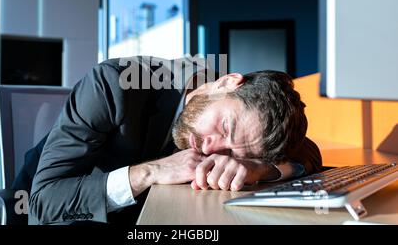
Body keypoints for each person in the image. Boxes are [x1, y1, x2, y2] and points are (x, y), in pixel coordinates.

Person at [28, 56, 322, 225]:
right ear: (227, 82)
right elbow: (42, 203)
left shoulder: (246, 118)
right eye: (224, 127)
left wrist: (261, 168)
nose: (211, 148)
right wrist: (149, 172)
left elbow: (308, 153)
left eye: (231, 149)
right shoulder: (114, 85)